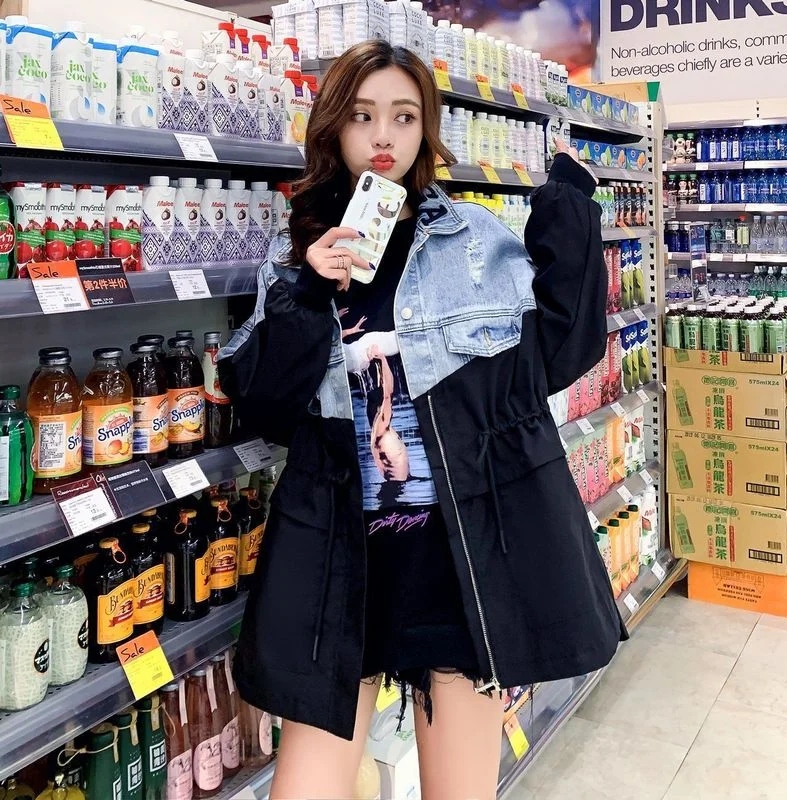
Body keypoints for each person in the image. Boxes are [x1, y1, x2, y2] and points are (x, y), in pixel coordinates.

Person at [219, 39, 626, 800]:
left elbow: (561, 350)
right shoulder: (297, 255)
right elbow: (266, 406)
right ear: (333, 127)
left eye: (404, 117)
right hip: (340, 571)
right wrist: (310, 291)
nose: (384, 136)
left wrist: (569, 204)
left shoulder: (474, 239)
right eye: (362, 116)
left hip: (459, 568)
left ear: (426, 129)